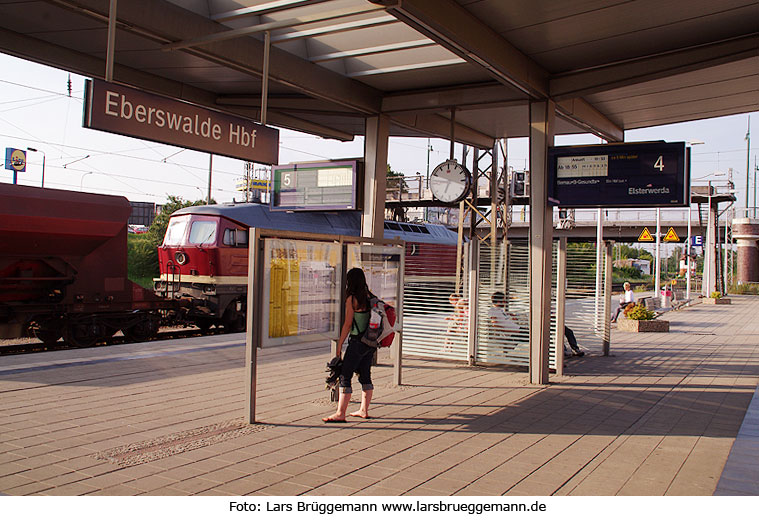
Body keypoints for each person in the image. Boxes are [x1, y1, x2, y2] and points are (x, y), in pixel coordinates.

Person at [323, 268, 376, 423]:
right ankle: (363, 410)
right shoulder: (369, 296)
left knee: (345, 375)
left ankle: (340, 413)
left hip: (357, 342)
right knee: (365, 374)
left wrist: (339, 345)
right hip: (369, 343)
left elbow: (347, 324)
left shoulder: (352, 299)